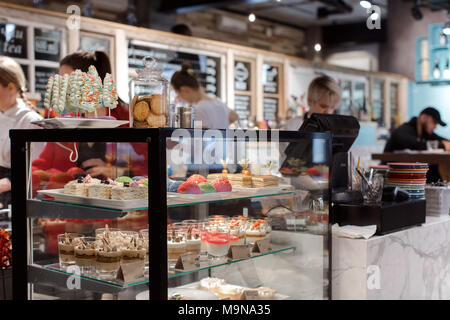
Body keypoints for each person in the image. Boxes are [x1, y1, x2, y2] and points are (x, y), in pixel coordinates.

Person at [0, 56, 43, 208]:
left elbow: (39, 170)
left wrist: (7, 183)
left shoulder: (31, 121)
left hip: (20, 198)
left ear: (11, 87)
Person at [171, 63, 238, 129]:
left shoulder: (198, 109)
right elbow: (235, 116)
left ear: (184, 89)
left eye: (177, 93)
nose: (179, 97)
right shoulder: (218, 102)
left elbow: (199, 136)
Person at [384, 107, 450, 152]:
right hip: (392, 170)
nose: (435, 127)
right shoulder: (404, 129)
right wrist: (442, 146)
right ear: (423, 117)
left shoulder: (426, 134)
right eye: (434, 122)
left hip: (413, 170)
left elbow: (443, 140)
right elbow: (415, 144)